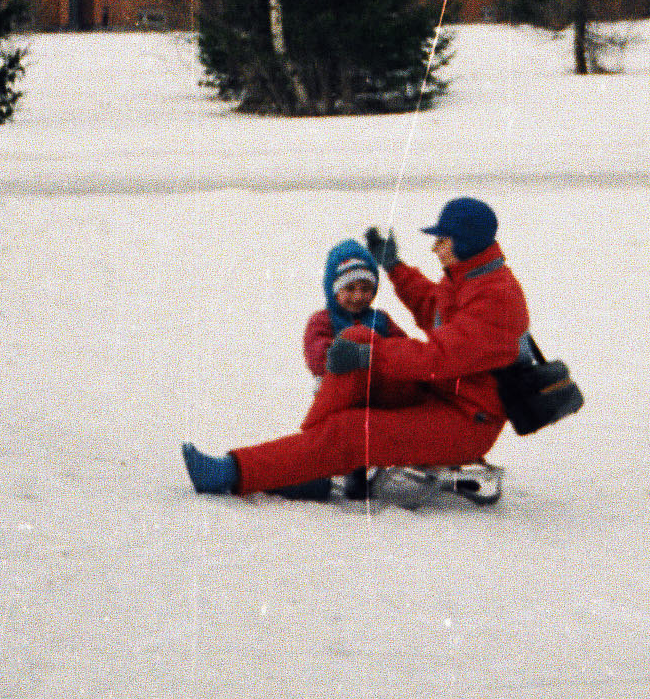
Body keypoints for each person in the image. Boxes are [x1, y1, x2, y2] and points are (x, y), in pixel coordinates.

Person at [181, 197, 528, 498]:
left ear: (464, 242)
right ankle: (309, 462)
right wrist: (393, 266)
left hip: (466, 421)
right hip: (440, 394)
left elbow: (438, 357)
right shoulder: (467, 278)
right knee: (356, 336)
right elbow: (432, 309)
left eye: (442, 239)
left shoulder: (496, 298)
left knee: (350, 430)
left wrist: (370, 357)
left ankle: (233, 472)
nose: (435, 246)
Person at [303, 239, 401, 377]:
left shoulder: (380, 319)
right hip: (339, 390)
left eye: (366, 289)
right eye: (349, 289)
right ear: (334, 291)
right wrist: (353, 356)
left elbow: (403, 348)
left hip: (379, 389)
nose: (358, 296)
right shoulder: (323, 321)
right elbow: (317, 357)